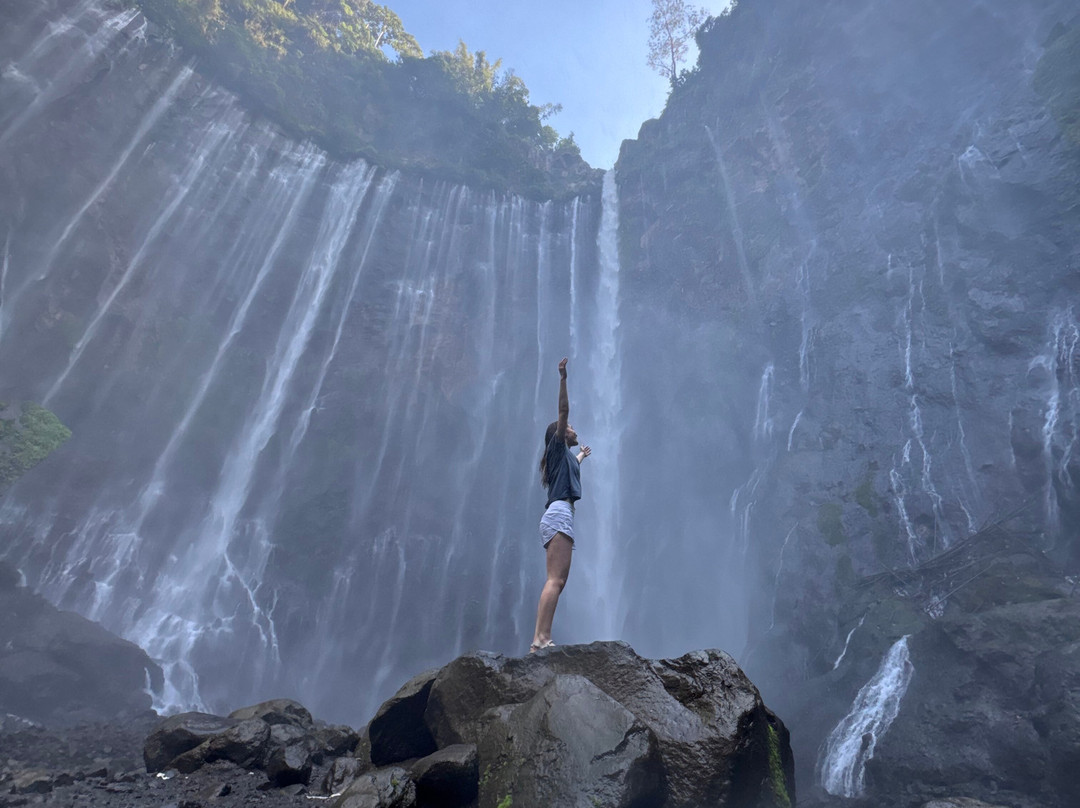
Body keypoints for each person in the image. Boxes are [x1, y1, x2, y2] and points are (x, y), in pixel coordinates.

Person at [531, 357, 590, 653]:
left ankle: (542, 637)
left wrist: (582, 456)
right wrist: (563, 378)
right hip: (558, 515)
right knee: (555, 580)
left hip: (558, 515)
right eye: (569, 427)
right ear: (561, 433)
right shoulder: (556, 446)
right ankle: (540, 639)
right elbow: (563, 411)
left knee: (558, 580)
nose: (573, 428)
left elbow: (574, 464)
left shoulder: (565, 458)